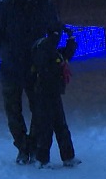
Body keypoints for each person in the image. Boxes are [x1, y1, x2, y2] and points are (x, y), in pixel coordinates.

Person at [0, 0, 60, 165]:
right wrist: (4, 50)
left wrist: (46, 49)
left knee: (39, 109)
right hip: (11, 67)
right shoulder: (5, 8)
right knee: (13, 111)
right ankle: (22, 146)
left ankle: (33, 145)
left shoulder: (44, 6)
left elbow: (55, 30)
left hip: (36, 67)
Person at [29, 25, 81, 169]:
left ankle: (68, 156)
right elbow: (52, 61)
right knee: (46, 127)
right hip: (45, 94)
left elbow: (66, 54)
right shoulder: (43, 48)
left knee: (60, 125)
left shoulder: (52, 51)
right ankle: (42, 159)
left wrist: (71, 38)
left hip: (53, 93)